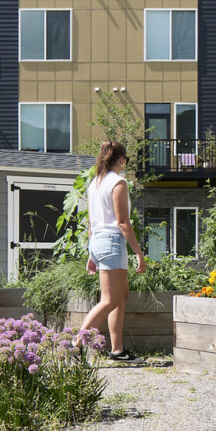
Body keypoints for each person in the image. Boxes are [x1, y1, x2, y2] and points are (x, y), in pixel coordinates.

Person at [76, 140, 146, 361]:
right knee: (109, 299)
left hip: (98, 242)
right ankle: (75, 343)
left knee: (120, 297)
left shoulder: (95, 184)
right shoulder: (118, 182)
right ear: (121, 160)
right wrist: (139, 253)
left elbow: (91, 222)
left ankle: (117, 350)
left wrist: (91, 254)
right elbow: (123, 222)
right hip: (112, 242)